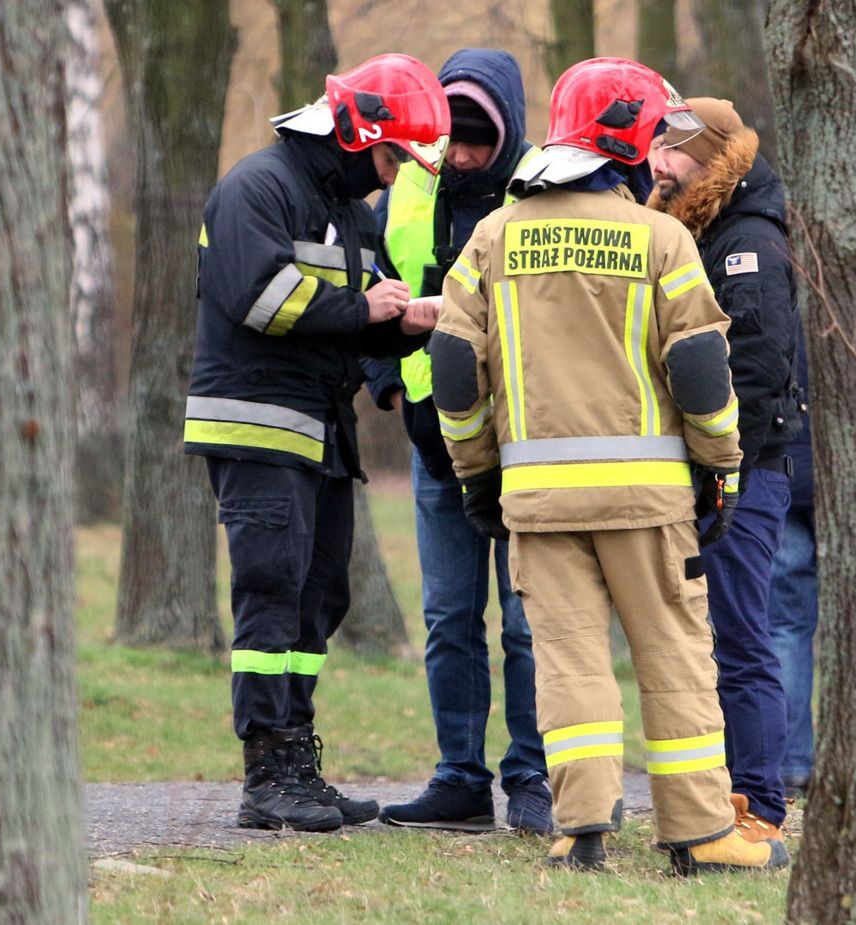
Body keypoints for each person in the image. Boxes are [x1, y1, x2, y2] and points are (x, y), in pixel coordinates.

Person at [430, 57, 788, 875]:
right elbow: (701, 367)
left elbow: (453, 364)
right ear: (628, 138)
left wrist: (477, 471)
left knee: (567, 663)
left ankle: (579, 829)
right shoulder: (659, 237)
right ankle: (701, 834)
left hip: (535, 500)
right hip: (648, 501)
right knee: (675, 658)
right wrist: (722, 466)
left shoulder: (493, 235)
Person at [183, 54, 449, 832]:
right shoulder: (256, 188)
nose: (395, 174)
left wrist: (405, 325)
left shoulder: (351, 211)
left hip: (321, 430)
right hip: (257, 423)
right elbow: (257, 296)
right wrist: (363, 310)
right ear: (358, 132)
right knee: (270, 586)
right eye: (393, 155)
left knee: (318, 591)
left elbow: (364, 314)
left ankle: (295, 755)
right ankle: (265, 770)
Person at [363, 48, 552, 835]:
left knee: (525, 620)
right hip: (432, 435)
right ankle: (459, 779)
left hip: (523, 444)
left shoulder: (547, 186)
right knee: (448, 617)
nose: (463, 154)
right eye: (454, 137)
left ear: (506, 134)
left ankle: (533, 777)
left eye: (478, 139)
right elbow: (371, 279)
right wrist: (382, 376)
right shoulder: (409, 179)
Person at [647, 98, 805, 841]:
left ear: (712, 158)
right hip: (705, 468)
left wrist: (720, 467)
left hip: (744, 469)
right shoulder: (697, 231)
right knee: (707, 638)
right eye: (654, 148)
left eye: (673, 152)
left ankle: (760, 803)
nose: (658, 163)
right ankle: (721, 795)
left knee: (742, 637)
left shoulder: (748, 240)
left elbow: (756, 364)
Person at [767, 339, 816, 800]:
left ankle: (791, 763)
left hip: (789, 475)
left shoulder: (763, 275)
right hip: (849, 476)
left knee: (786, 625)